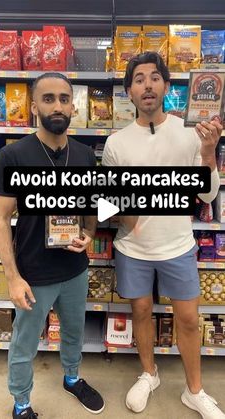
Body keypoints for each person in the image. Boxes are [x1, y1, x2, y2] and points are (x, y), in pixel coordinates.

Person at [102, 52, 225, 419]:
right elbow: (110, 205)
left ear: (167, 87)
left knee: (188, 318)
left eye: (155, 77)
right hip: (133, 248)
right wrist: (129, 208)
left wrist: (208, 152)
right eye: (138, 79)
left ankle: (195, 391)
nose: (147, 85)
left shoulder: (190, 134)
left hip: (178, 245)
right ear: (129, 92)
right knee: (140, 310)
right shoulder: (116, 143)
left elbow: (207, 194)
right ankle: (149, 374)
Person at [0, 72, 105, 419]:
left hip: (75, 269)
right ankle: (21, 404)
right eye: (48, 98)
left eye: (64, 98)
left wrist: (88, 233)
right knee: (24, 344)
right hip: (34, 272)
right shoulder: (14, 155)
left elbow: (91, 206)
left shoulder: (85, 155)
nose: (58, 106)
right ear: (34, 105)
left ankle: (72, 378)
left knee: (73, 331)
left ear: (74, 105)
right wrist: (12, 277)